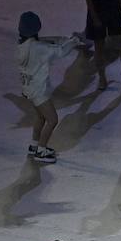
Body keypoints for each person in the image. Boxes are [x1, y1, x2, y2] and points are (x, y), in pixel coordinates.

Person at [15, 11, 81, 164]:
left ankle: (34, 145)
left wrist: (62, 39)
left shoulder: (23, 45)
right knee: (52, 120)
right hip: (39, 92)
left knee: (40, 117)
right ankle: (41, 150)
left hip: (29, 89)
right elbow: (60, 51)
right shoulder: (38, 48)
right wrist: (74, 41)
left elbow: (45, 42)